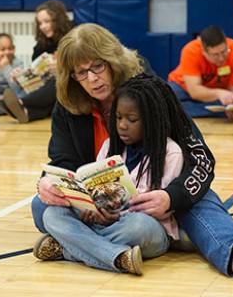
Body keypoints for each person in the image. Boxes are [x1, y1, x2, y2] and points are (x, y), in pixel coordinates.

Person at [31, 23, 233, 283]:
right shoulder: (69, 104)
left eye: (97, 66)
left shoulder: (150, 92)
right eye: (81, 73)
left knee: (193, 196)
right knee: (41, 205)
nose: (92, 79)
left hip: (156, 201)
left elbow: (200, 158)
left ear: (113, 60)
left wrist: (170, 197)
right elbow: (63, 161)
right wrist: (48, 184)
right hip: (101, 211)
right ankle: (116, 251)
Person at [35, 75, 193, 275]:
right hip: (103, 223)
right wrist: (90, 208)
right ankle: (117, 257)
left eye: (132, 119)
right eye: (118, 118)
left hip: (147, 228)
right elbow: (95, 190)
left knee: (138, 227)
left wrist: (114, 216)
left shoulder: (171, 152)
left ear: (151, 120)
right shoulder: (110, 145)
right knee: (52, 214)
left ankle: (68, 249)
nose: (122, 125)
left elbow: (158, 210)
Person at [0, 0, 74, 123]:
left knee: (59, 80)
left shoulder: (74, 35)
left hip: (71, 84)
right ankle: (27, 113)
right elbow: (34, 72)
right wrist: (21, 76)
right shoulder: (41, 45)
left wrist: (63, 66)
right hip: (48, 91)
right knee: (48, 90)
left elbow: (84, 62)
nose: (43, 26)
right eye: (40, 23)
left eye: (47, 21)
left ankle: (20, 102)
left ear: (58, 20)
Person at [167, 25, 233, 119]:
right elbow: (195, 92)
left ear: (227, 44)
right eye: (215, 55)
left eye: (224, 51)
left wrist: (232, 105)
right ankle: (215, 112)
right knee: (165, 101)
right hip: (183, 87)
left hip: (221, 95)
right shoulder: (191, 51)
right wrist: (218, 93)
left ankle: (183, 111)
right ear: (203, 52)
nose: (221, 58)